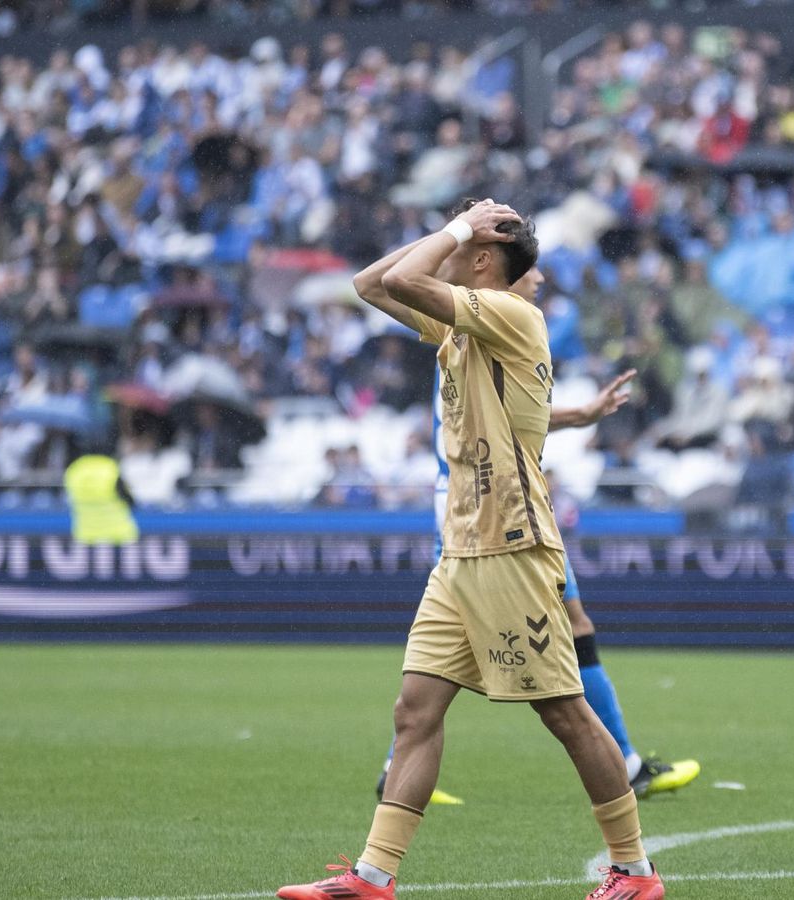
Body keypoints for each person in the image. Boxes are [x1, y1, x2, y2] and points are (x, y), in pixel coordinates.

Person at [277, 201, 664, 900]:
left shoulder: (511, 314)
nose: (447, 249)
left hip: (511, 547)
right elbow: (373, 283)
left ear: (484, 261)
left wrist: (460, 231)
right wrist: (459, 231)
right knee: (414, 712)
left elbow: (412, 278)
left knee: (566, 714)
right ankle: (373, 876)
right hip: (461, 555)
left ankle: (634, 870)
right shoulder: (465, 324)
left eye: (463, 245)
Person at [359, 226, 700, 807]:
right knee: (555, 697)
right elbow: (378, 282)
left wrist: (580, 414)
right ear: (494, 268)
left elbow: (521, 415)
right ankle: (628, 788)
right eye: (532, 272)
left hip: (504, 515)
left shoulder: (491, 325)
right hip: (491, 518)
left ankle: (629, 809)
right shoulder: (483, 319)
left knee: (555, 658)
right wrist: (456, 231)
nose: (540, 279)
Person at [65, 447, 139, 545]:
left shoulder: (74, 469)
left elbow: (69, 496)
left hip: (86, 535)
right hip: (118, 535)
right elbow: (128, 499)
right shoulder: (110, 467)